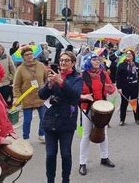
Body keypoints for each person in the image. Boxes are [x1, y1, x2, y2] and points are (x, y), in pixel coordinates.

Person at [39, 51, 82, 183]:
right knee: (50, 155)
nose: (63, 62)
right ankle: (50, 180)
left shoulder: (77, 78)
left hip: (66, 121)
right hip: (50, 120)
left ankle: (65, 180)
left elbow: (75, 95)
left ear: (73, 63)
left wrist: (61, 82)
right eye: (62, 60)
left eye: (67, 60)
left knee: (66, 154)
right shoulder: (53, 76)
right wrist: (49, 85)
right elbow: (42, 95)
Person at [78, 52, 116, 176]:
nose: (97, 61)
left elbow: (111, 89)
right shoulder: (82, 75)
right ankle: (82, 163)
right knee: (86, 135)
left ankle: (104, 158)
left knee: (103, 133)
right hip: (87, 107)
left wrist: (109, 88)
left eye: (98, 59)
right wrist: (84, 96)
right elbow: (75, 93)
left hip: (102, 108)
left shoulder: (103, 74)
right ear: (88, 61)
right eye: (94, 59)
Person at [13, 46, 48, 142]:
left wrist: (46, 90)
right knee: (27, 120)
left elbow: (46, 79)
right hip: (27, 98)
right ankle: (25, 137)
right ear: (23, 57)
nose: (29, 56)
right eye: (26, 55)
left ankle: (42, 134)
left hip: (40, 96)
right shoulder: (20, 69)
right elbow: (16, 85)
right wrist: (16, 97)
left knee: (44, 118)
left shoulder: (40, 65)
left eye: (31, 54)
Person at [116, 50, 139, 126]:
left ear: (133, 56)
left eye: (130, 54)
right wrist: (118, 87)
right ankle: (122, 120)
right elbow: (118, 77)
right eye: (127, 54)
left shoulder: (136, 64)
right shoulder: (121, 65)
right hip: (125, 86)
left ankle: (137, 119)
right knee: (124, 103)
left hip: (134, 86)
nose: (128, 55)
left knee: (134, 102)